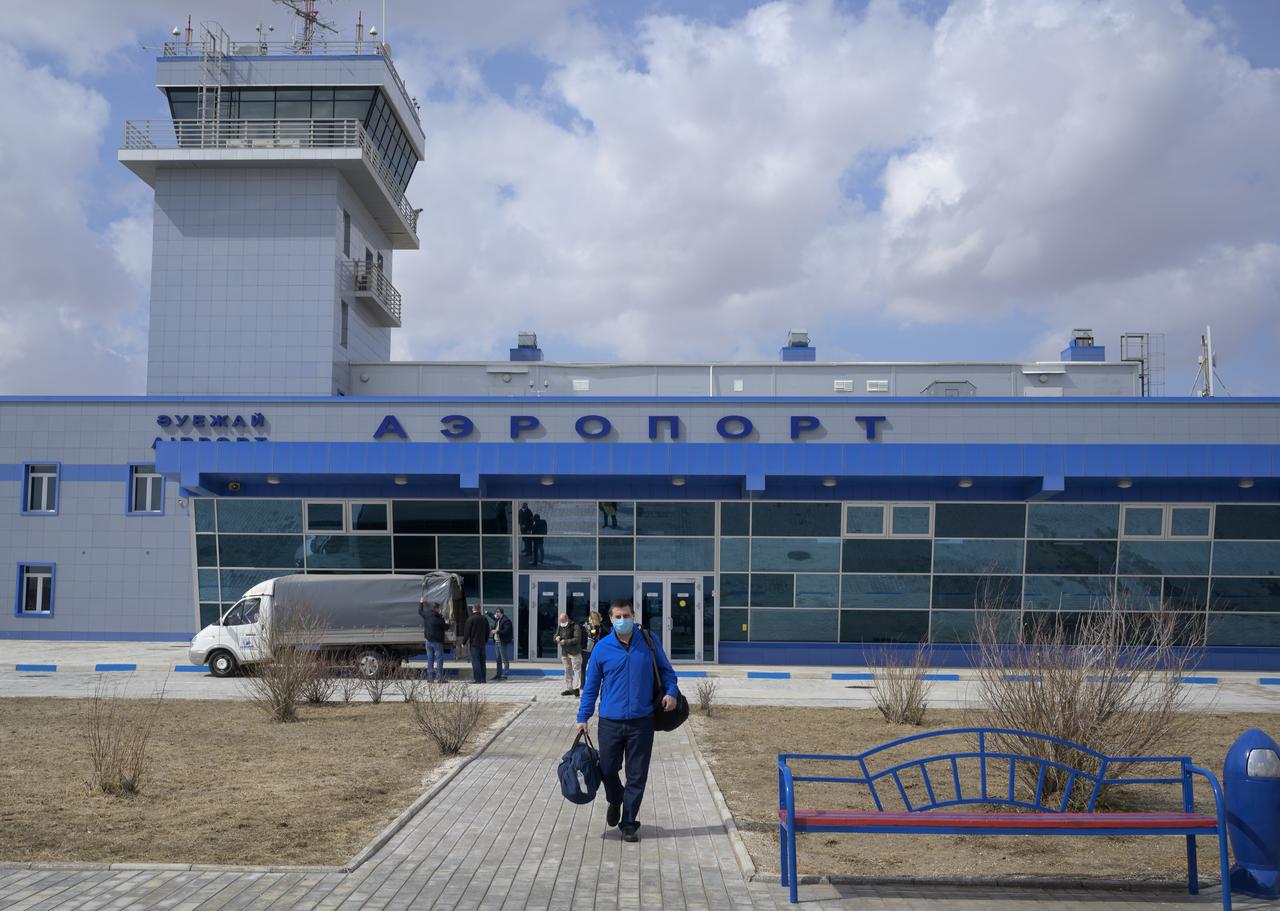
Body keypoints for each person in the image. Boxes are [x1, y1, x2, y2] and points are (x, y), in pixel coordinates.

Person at [577, 599, 678, 843]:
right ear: (610, 619)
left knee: (637, 775)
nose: (622, 620)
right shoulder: (601, 648)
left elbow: (667, 672)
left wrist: (671, 692)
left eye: (626, 615)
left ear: (633, 616)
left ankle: (629, 823)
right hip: (610, 721)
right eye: (618, 616)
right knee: (608, 768)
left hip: (642, 721)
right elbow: (590, 687)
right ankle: (615, 799)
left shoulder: (649, 641)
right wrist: (583, 717)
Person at [417, 600, 448, 682]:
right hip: (437, 642)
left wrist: (421, 603)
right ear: (437, 609)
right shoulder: (439, 618)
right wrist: (447, 623)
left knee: (430, 659)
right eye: (439, 608)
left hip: (428, 641)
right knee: (439, 660)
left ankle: (430, 678)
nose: (440, 610)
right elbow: (445, 627)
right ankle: (439, 678)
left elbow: (420, 611)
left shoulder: (427, 615)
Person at [555, 612, 583, 696]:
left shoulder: (575, 626)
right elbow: (556, 634)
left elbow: (577, 639)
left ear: (567, 618)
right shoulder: (560, 626)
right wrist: (556, 638)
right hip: (565, 653)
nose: (562, 623)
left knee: (576, 670)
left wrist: (565, 642)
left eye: (563, 621)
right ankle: (569, 689)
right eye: (561, 621)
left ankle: (576, 689)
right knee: (567, 670)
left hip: (575, 652)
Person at [462, 603, 491, 684]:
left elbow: (467, 633)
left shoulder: (470, 619)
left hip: (474, 644)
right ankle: (483, 679)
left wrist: (463, 643)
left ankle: (477, 679)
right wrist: (485, 640)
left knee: (476, 661)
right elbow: (487, 631)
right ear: (479, 609)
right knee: (482, 662)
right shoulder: (484, 619)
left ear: (473, 609)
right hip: (482, 644)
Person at [492, 607, 513, 680]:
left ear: (501, 613)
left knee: (504, 659)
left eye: (497, 612)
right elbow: (493, 617)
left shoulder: (506, 621)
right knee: (498, 659)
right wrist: (487, 613)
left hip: (502, 642)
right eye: (496, 612)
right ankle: (498, 674)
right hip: (497, 641)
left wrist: (496, 631)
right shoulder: (498, 620)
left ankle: (505, 674)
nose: (496, 613)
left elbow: (506, 631)